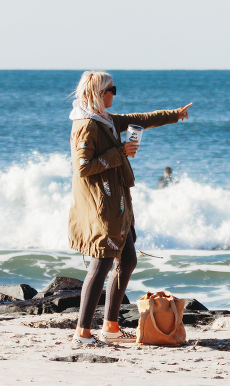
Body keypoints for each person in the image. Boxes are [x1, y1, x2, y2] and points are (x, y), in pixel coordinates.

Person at [68, 70, 192, 347]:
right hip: (102, 204)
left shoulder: (105, 120)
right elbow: (83, 167)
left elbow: (140, 120)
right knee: (100, 266)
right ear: (101, 93)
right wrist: (120, 153)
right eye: (113, 88)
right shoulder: (86, 125)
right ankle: (82, 333)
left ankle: (110, 327)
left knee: (128, 261)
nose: (115, 93)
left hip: (117, 202)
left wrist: (175, 114)